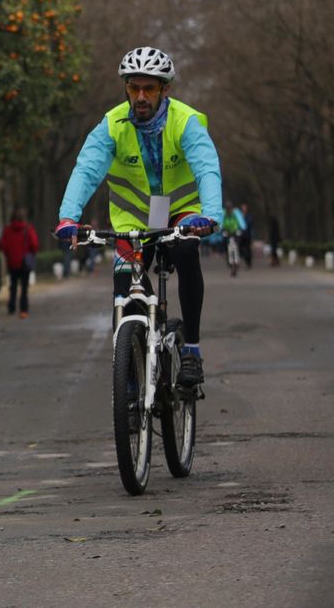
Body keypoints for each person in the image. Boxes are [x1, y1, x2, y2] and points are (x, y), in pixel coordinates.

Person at [55, 46, 221, 387]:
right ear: (126, 89)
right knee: (125, 286)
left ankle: (191, 350)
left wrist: (210, 215)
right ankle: (130, 372)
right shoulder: (112, 125)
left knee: (187, 251)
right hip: (133, 224)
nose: (141, 96)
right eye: (134, 88)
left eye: (149, 88)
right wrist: (68, 218)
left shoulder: (186, 122)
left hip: (181, 215)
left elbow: (207, 169)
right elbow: (86, 170)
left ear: (165, 90)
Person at [1, 207, 40, 317]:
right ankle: (23, 308)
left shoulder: (7, 230)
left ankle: (11, 306)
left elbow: (4, 246)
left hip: (12, 262)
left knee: (13, 286)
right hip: (24, 263)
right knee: (24, 287)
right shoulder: (28, 229)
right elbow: (34, 245)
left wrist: (9, 255)